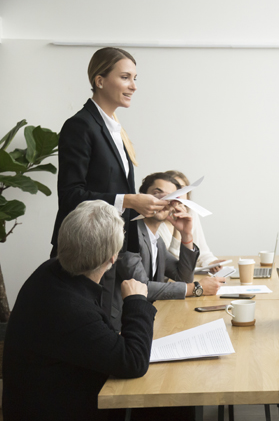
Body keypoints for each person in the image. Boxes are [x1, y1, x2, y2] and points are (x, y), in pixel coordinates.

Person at [3, 200, 156, 421]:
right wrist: (136, 300)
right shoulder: (71, 310)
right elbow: (133, 362)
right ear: (112, 258)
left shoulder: (49, 271)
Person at [51, 47, 168, 320]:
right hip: (85, 252)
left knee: (109, 326)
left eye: (135, 78)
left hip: (112, 249)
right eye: (125, 77)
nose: (134, 86)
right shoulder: (80, 126)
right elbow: (70, 195)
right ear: (99, 80)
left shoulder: (115, 129)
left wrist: (144, 206)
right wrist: (129, 200)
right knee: (87, 331)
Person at [115, 173, 226, 329]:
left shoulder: (156, 240)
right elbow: (142, 287)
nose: (164, 201)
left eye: (171, 197)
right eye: (157, 194)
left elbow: (183, 277)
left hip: (150, 317)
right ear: (142, 198)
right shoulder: (128, 235)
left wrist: (186, 235)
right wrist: (196, 288)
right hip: (123, 324)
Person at [158, 170, 219, 268]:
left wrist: (211, 263)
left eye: (182, 189)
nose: (178, 195)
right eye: (174, 189)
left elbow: (202, 252)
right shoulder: (156, 220)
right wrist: (179, 231)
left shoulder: (191, 213)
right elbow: (172, 264)